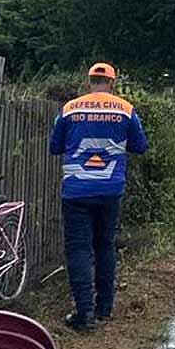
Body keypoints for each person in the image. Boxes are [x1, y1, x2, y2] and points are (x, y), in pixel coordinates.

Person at [49, 62, 149, 331]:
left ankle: (85, 314)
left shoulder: (70, 108)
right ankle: (105, 307)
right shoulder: (125, 109)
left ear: (89, 81)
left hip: (76, 191)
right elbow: (140, 146)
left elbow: (54, 146)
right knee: (104, 246)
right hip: (110, 189)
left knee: (79, 249)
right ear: (113, 83)